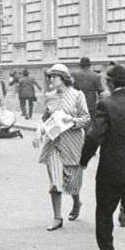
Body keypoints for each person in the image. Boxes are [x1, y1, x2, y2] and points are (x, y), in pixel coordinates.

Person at [80, 62, 125, 250]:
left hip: (110, 171)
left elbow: (93, 136)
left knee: (104, 214)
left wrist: (83, 161)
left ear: (109, 83)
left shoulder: (106, 105)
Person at [36, 63, 90, 230]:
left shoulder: (77, 95)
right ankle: (57, 218)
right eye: (50, 76)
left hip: (72, 143)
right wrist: (39, 131)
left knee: (72, 182)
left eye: (54, 76)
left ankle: (76, 202)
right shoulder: (50, 96)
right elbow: (45, 118)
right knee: (55, 183)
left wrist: (72, 121)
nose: (51, 79)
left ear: (64, 78)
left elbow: (86, 119)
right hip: (54, 144)